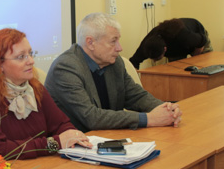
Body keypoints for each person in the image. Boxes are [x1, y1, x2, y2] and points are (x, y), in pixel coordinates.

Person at [0, 28, 91, 160]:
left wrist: (73, 137)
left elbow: (60, 124)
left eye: (30, 54)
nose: (31, 61)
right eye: (21, 57)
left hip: (43, 166)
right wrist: (52, 144)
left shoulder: (34, 87)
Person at [45, 13, 182, 132]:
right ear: (90, 43)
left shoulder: (114, 62)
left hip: (108, 137)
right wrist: (149, 119)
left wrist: (166, 109)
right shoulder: (65, 68)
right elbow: (92, 118)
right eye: (113, 41)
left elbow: (136, 96)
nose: (119, 48)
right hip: (76, 144)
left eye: (118, 40)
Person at [129, 17, 212, 69]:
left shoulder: (184, 36)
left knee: (205, 67)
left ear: (165, 49)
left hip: (198, 36)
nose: (154, 61)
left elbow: (202, 41)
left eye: (157, 58)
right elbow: (133, 62)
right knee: (176, 71)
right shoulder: (147, 44)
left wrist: (195, 59)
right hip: (179, 46)